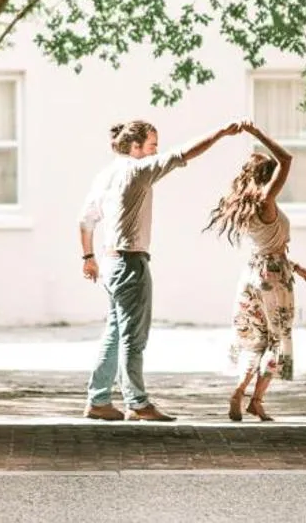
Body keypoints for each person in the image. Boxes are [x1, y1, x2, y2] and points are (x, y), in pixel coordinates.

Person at [77, 117, 240, 422]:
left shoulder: (106, 174)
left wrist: (88, 257)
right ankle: (137, 403)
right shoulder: (138, 170)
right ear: (136, 146)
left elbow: (84, 221)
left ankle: (98, 400)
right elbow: (183, 154)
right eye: (152, 145)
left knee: (114, 332)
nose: (155, 151)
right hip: (130, 262)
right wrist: (220, 132)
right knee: (133, 337)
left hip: (109, 262)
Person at [204, 121, 306, 422]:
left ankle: (240, 393)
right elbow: (287, 159)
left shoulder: (246, 206)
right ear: (268, 179)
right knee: (278, 340)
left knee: (255, 339)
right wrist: (256, 134)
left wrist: (296, 265)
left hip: (253, 274)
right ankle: (256, 399)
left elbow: (266, 249)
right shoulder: (266, 203)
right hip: (273, 278)